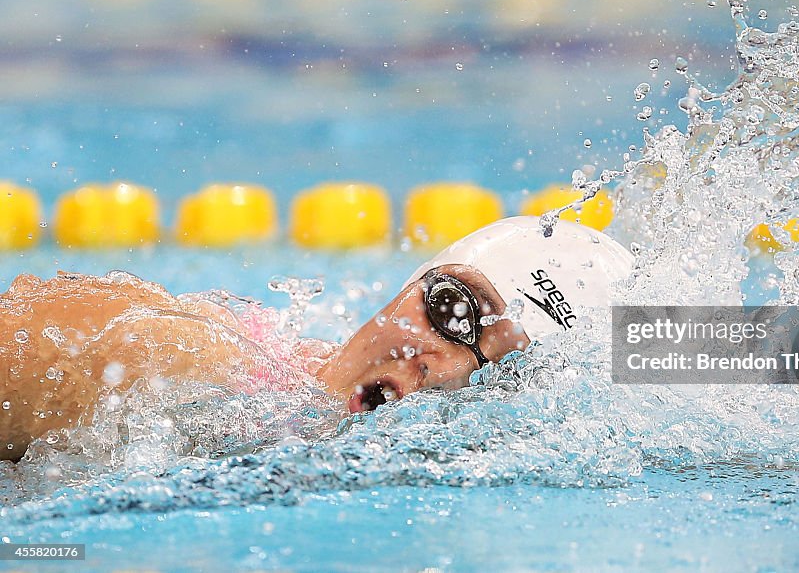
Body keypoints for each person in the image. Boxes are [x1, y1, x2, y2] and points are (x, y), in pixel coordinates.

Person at [0, 216, 632, 462]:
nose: (443, 367)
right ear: (411, 284)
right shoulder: (169, 358)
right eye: (451, 309)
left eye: (497, 372)